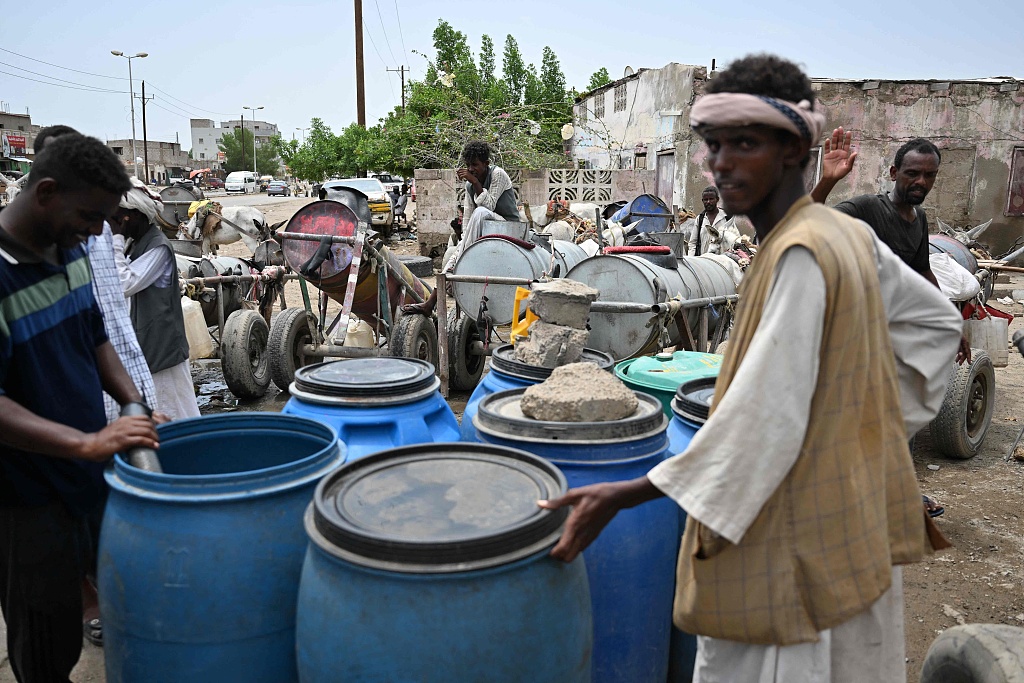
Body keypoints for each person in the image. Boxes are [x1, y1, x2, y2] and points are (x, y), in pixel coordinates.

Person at [540, 54, 962, 683]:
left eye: (745, 142)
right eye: (714, 143)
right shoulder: (837, 233)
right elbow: (934, 325)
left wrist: (625, 493)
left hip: (793, 563)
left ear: (795, 150)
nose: (722, 162)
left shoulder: (800, 251)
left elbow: (761, 419)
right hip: (853, 534)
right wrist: (860, 432)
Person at [0, 133, 161, 682]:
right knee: (47, 644)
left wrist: (133, 403)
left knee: (111, 598)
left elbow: (93, 336)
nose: (98, 232)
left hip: (86, 478)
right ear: (45, 191)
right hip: (25, 500)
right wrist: (86, 443)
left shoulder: (66, 250)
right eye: (92, 216)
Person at [111, 178, 200, 420]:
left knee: (172, 407)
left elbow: (124, 284)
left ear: (134, 215)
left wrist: (116, 241)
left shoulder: (158, 248)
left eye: (116, 216)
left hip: (160, 342)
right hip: (144, 337)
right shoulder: (136, 243)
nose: (112, 223)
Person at [403, 141, 518, 315]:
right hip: (485, 228)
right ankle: (431, 303)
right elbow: (468, 218)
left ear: (486, 164)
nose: (471, 169)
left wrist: (475, 183)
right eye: (468, 165)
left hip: (508, 227)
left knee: (480, 213)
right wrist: (462, 245)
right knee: (456, 253)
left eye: (475, 165)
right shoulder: (469, 185)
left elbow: (488, 205)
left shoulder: (498, 175)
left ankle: (460, 261)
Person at [687, 185, 738, 255]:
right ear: (702, 201)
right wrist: (692, 260)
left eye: (711, 199)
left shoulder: (726, 217)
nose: (708, 202)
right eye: (705, 199)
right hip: (703, 261)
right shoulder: (700, 219)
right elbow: (693, 243)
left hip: (721, 262)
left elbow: (734, 239)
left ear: (717, 199)